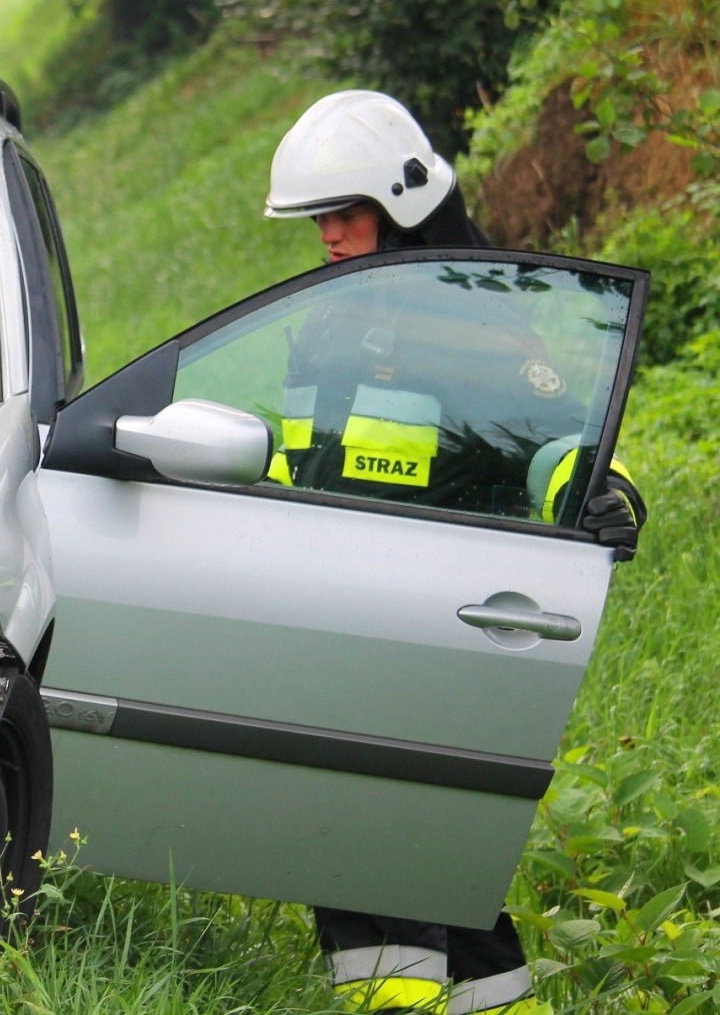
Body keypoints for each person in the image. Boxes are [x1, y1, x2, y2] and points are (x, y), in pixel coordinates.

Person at [262, 89, 644, 1015]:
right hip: (334, 610)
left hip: (438, 615)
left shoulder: (478, 319)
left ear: (401, 206)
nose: (328, 235)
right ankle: (496, 995)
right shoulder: (327, 321)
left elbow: (560, 442)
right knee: (430, 851)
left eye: (344, 214)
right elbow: (293, 458)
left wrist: (604, 493)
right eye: (319, 218)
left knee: (370, 845)